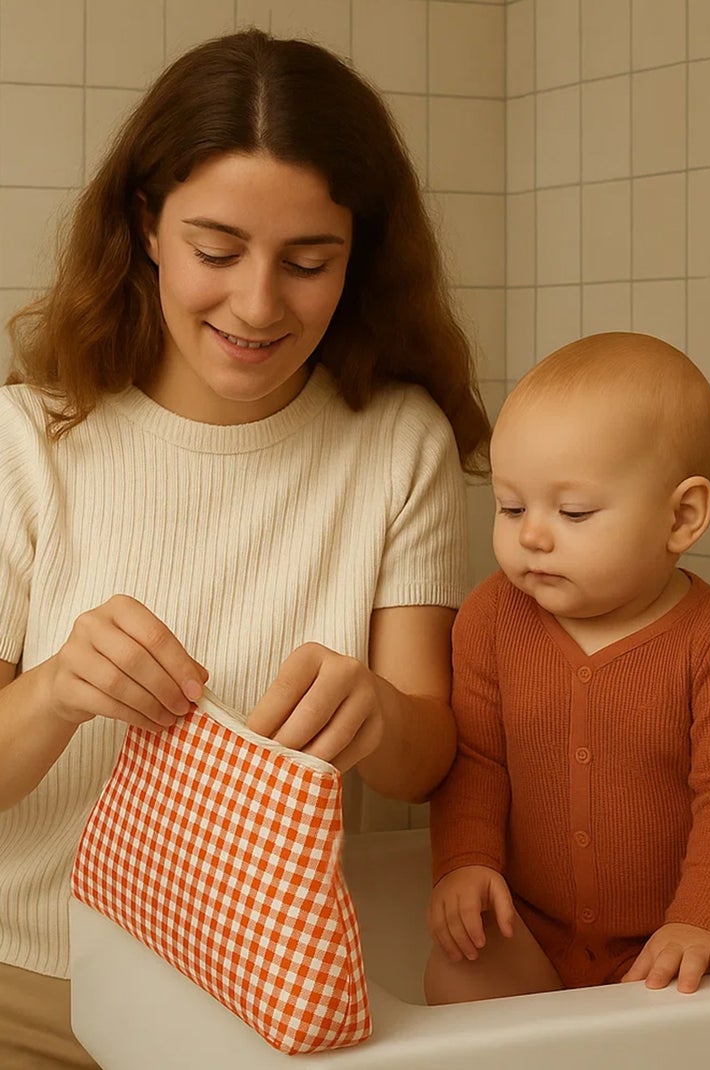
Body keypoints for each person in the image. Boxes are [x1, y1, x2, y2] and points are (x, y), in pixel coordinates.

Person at [0, 29, 491, 1068]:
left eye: (308, 262)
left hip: (265, 1001)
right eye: (216, 251)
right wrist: (54, 691)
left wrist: (378, 713)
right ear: (144, 226)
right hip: (29, 987)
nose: (259, 304)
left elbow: (424, 759)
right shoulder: (24, 443)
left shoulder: (399, 442)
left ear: (358, 254)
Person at [425, 332, 710, 1005]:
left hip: (675, 938)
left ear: (681, 517)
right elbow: (475, 759)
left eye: (574, 511)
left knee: (699, 1015)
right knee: (459, 975)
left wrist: (708, 920)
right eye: (510, 506)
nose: (531, 533)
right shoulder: (490, 617)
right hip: (529, 926)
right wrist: (466, 863)